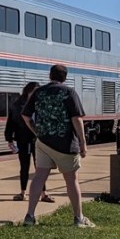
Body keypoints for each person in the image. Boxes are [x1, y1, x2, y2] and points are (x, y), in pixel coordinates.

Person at [19, 64, 93, 228]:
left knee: (39, 177)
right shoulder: (68, 92)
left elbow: (25, 115)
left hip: (43, 142)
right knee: (71, 180)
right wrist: (83, 142)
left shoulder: (39, 92)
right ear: (65, 77)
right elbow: (76, 119)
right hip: (65, 143)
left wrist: (36, 131)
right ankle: (78, 218)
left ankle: (30, 215)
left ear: (49, 76)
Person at [4, 81, 54, 203]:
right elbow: (10, 123)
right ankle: (22, 192)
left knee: (41, 168)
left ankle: (44, 193)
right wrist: (9, 138)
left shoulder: (41, 104)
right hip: (23, 140)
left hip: (39, 141)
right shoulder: (17, 105)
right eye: (34, 91)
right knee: (24, 167)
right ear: (28, 91)